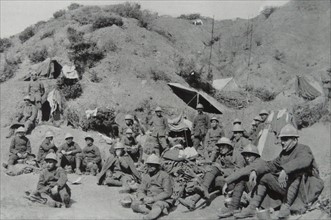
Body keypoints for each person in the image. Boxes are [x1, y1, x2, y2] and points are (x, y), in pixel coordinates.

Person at [234, 124, 324, 219]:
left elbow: (303, 161)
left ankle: (286, 206)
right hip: (287, 188)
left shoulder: (304, 149)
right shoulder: (283, 154)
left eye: (285, 139)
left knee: (296, 173)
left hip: (304, 188)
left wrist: (285, 170)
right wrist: (255, 171)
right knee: (265, 177)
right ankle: (252, 208)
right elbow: (270, 165)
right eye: (281, 139)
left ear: (295, 139)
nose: (282, 142)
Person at [179, 137, 245, 211]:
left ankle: (195, 198)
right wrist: (209, 169)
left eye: (223, 146)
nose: (221, 148)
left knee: (211, 179)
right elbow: (215, 165)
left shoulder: (238, 155)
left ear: (229, 146)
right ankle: (193, 201)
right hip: (222, 180)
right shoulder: (221, 155)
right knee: (211, 173)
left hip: (233, 183)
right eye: (220, 146)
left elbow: (239, 172)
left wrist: (222, 169)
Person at [218, 143, 264, 218]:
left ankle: (235, 206)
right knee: (241, 179)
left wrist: (227, 182)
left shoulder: (258, 162)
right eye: (245, 155)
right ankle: (233, 207)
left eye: (249, 155)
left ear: (256, 156)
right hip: (255, 191)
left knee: (242, 177)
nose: (247, 158)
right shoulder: (250, 163)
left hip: (263, 195)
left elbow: (243, 171)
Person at [131, 154, 173, 220]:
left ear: (157, 166)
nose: (150, 167)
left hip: (161, 199)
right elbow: (140, 189)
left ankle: (149, 217)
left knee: (158, 205)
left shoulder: (164, 175)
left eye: (153, 165)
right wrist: (143, 197)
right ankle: (155, 211)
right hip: (147, 199)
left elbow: (167, 192)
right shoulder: (146, 176)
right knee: (134, 204)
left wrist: (153, 199)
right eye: (148, 164)